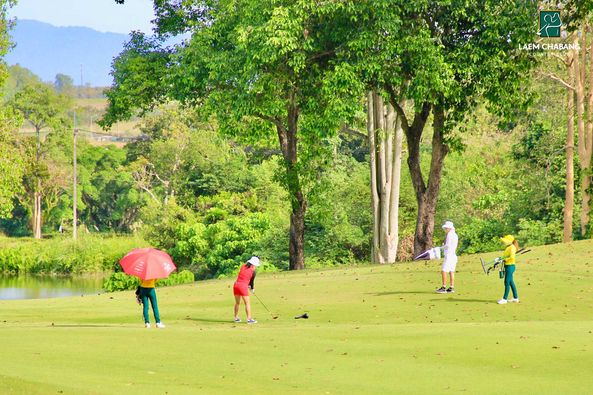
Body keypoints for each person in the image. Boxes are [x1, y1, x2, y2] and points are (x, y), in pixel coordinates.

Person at [233, 256, 260, 324]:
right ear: (253, 264)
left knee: (237, 303)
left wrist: (248, 285)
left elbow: (243, 276)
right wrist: (252, 288)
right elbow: (251, 282)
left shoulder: (243, 266)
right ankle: (249, 319)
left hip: (236, 285)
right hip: (242, 286)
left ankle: (236, 318)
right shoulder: (253, 272)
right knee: (247, 303)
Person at [436, 221, 458, 294]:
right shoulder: (455, 235)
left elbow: (447, 245)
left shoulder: (449, 234)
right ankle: (451, 287)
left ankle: (443, 287)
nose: (445, 229)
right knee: (451, 271)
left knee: (444, 270)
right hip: (453, 256)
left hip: (449, 256)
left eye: (446, 228)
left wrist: (440, 248)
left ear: (449, 228)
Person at [497, 234, 519, 304]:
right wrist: (500, 259)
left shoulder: (512, 247)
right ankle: (515, 298)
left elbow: (512, 257)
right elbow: (505, 256)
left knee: (506, 282)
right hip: (507, 266)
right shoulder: (508, 247)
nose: (504, 242)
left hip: (510, 266)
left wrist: (504, 260)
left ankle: (504, 299)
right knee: (511, 282)